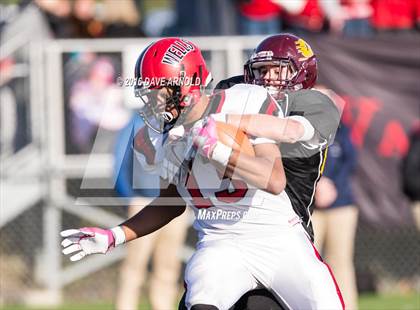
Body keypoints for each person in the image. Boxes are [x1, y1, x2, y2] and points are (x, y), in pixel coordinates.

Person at [61, 37, 343, 310]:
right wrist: (115, 236)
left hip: (278, 238)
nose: (152, 101)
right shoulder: (162, 136)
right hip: (219, 242)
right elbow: (169, 204)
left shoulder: (243, 101)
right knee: (202, 293)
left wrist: (216, 149)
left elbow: (273, 179)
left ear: (186, 84)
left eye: (157, 90)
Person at [207, 33, 342, 309]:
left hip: (285, 239)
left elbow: (286, 129)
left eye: (277, 69)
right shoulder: (240, 93)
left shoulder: (315, 105)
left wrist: (219, 117)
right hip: (228, 233)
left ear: (301, 71)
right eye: (262, 70)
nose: (268, 78)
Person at [113, 114, 189, 310]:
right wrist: (131, 199)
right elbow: (119, 164)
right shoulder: (136, 121)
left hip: (174, 206)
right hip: (143, 202)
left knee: (168, 267)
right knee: (134, 267)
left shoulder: (181, 120)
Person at [311, 124, 359, 310]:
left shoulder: (342, 130)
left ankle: (346, 306)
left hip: (341, 205)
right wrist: (316, 184)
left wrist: (332, 185)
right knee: (308, 260)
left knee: (341, 261)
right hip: (311, 207)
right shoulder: (299, 125)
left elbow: (350, 161)